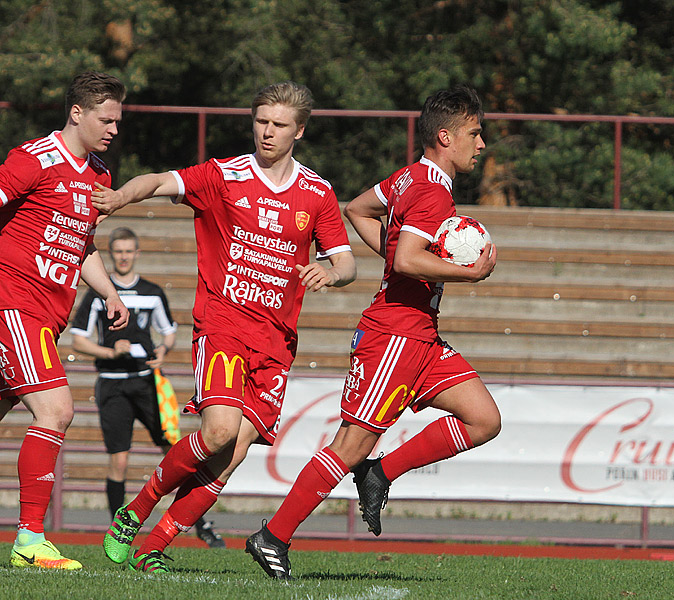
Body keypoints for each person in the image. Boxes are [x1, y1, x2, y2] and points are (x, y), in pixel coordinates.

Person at [91, 81, 356, 573]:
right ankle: (136, 511)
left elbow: (346, 262)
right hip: (223, 326)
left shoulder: (317, 192)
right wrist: (119, 197)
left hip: (276, 344)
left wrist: (332, 273)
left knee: (229, 457)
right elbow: (159, 181)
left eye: (278, 125)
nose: (266, 132)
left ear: (299, 130)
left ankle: (153, 551)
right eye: (260, 121)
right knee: (217, 432)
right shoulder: (224, 176)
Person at [245, 84, 500, 580]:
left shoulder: (410, 179)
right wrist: (466, 273)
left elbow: (358, 208)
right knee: (351, 445)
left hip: (421, 334)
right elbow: (406, 256)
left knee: (483, 419)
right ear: (446, 137)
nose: (482, 143)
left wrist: (402, 261)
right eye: (475, 133)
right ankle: (273, 536)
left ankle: (382, 472)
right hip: (395, 336)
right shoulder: (430, 190)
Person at [0, 71, 129, 570]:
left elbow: (83, 246)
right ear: (77, 112)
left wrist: (111, 294)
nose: (114, 128)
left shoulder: (98, 175)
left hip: (46, 315)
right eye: (106, 118)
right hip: (13, 303)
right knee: (56, 411)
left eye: (118, 120)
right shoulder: (34, 159)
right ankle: (30, 539)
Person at [70, 226, 225, 548]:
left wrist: (163, 352)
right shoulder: (99, 292)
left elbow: (168, 332)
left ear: (137, 253)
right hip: (112, 384)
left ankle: (199, 522)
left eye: (129, 251)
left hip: (149, 383)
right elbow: (78, 342)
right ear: (111, 254)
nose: (124, 257)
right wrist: (111, 352)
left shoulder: (153, 291)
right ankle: (119, 530)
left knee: (176, 451)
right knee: (119, 461)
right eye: (119, 251)